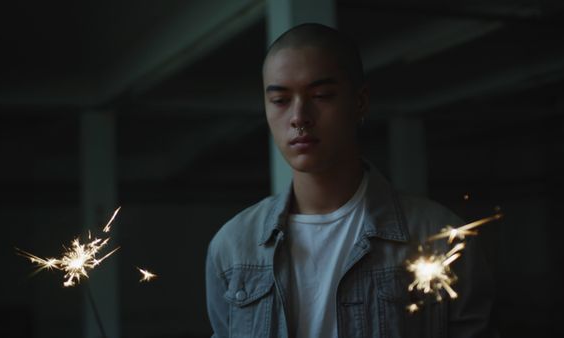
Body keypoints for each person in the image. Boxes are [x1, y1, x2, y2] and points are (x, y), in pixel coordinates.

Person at [205, 23, 495, 338]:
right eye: (280, 100)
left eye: (321, 95)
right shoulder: (233, 246)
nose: (299, 116)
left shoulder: (440, 237)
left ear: (359, 102)